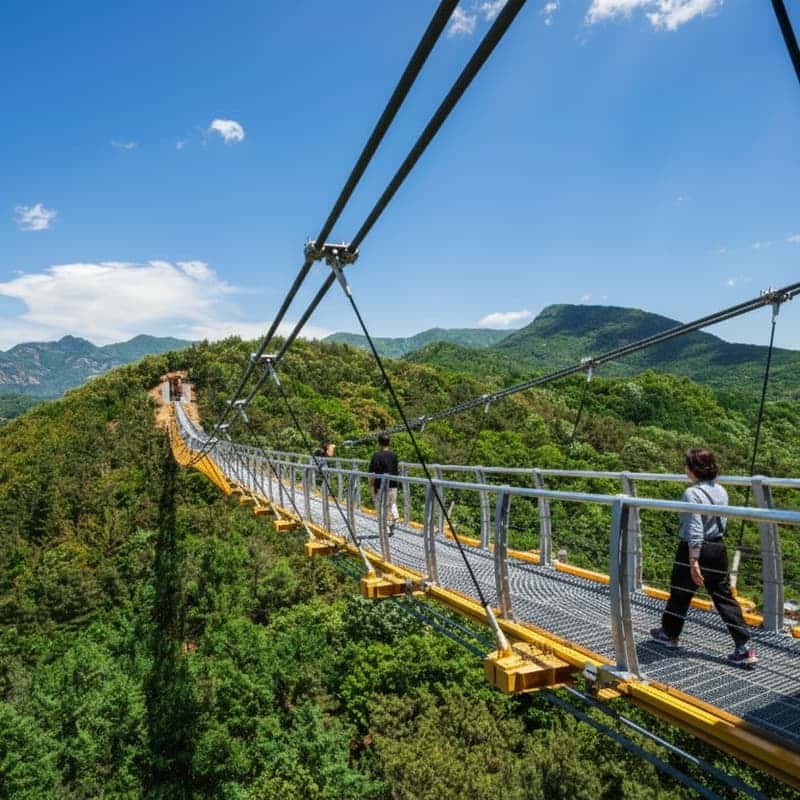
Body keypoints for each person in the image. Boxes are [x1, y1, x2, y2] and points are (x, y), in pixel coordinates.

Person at [651, 448, 757, 666]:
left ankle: (669, 634)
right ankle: (744, 647)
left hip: (694, 549)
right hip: (718, 548)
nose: (684, 469)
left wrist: (693, 560)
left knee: (680, 593)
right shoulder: (721, 491)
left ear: (693, 469)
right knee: (723, 597)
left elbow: (695, 529)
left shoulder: (691, 494)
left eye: (686, 465)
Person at [369, 433, 400, 534]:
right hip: (393, 485)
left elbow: (372, 473)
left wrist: (371, 486)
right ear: (389, 443)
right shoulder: (394, 455)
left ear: (379, 443)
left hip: (380, 486)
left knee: (380, 506)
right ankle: (395, 516)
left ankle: (385, 528)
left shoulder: (377, 455)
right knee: (392, 503)